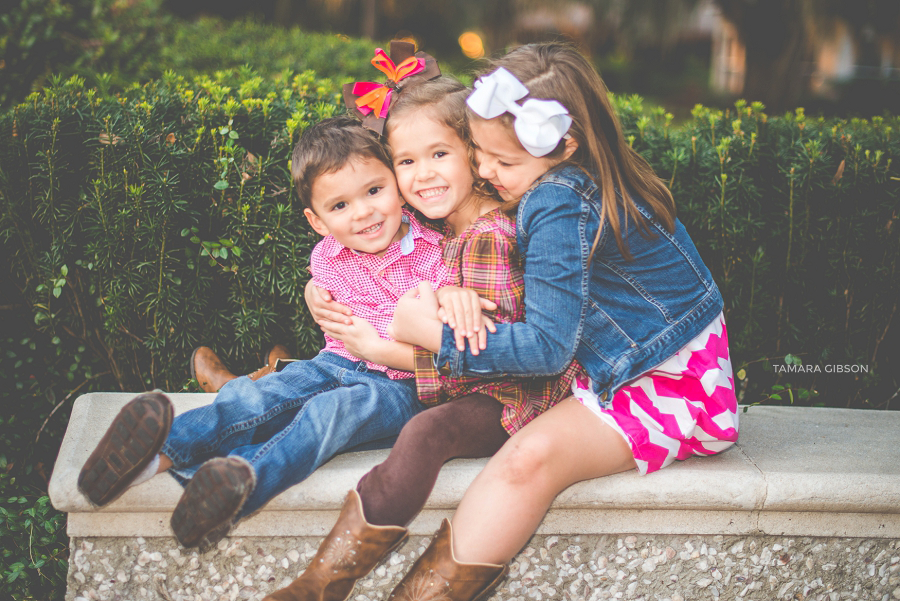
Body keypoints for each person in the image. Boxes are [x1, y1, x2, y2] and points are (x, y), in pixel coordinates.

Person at [381, 43, 740, 601]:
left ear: (563, 143)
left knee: (527, 461)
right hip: (681, 363)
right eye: (480, 153)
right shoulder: (587, 170)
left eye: (504, 162)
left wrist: (433, 335)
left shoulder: (557, 200)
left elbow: (547, 348)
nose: (485, 171)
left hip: (664, 385)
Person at [263, 76, 581, 601]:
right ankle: (266, 382)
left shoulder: (487, 238)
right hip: (452, 381)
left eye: (438, 154)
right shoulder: (445, 225)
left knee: (422, 435)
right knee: (342, 393)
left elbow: (505, 358)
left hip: (507, 397)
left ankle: (326, 582)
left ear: (474, 156)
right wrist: (315, 289)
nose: (422, 175)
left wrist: (395, 345)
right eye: (406, 162)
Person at [77, 116, 449, 549]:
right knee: (259, 396)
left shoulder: (436, 253)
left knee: (327, 415)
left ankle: (239, 485)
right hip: (337, 361)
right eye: (340, 206)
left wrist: (379, 342)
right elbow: (328, 302)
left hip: (400, 388)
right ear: (318, 221)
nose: (364, 212)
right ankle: (151, 456)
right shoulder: (327, 255)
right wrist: (315, 292)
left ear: (397, 186)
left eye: (373, 191)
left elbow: (441, 347)